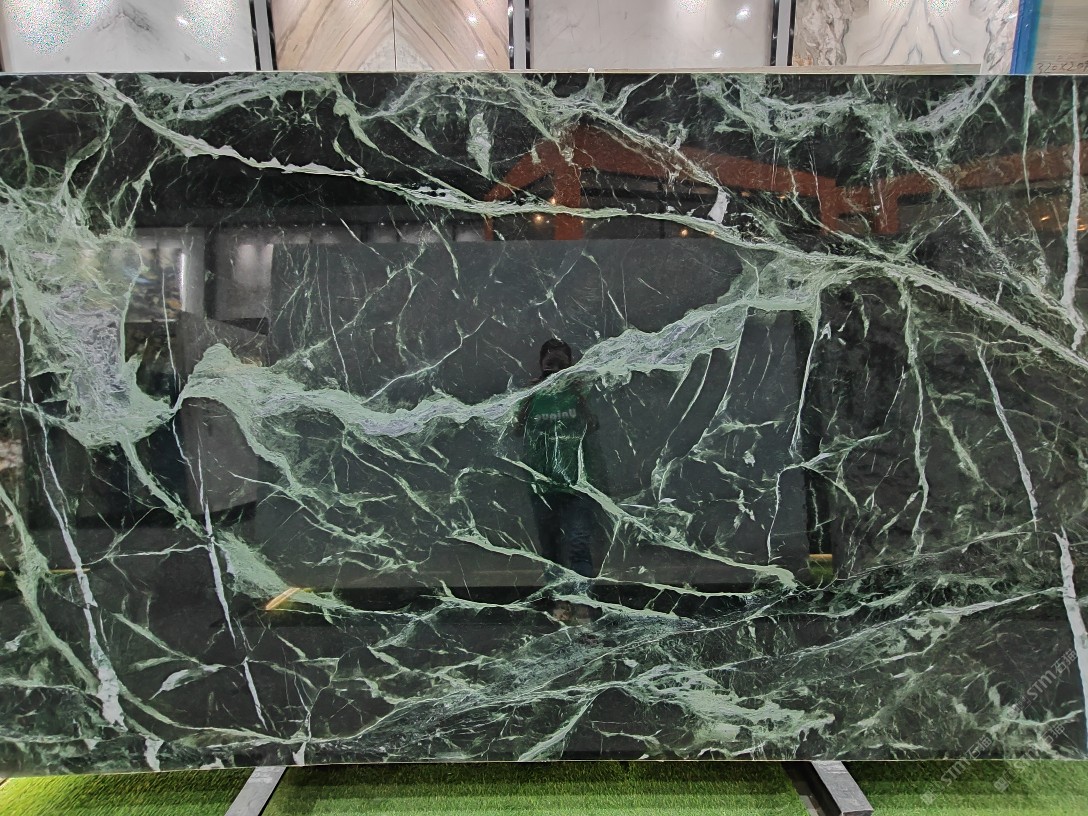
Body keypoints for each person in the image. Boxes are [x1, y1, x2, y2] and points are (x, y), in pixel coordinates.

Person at [513, 339, 600, 585]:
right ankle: (557, 601)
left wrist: (577, 392)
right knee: (550, 549)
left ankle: (582, 601)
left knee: (578, 544)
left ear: (570, 365)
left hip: (576, 484)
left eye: (561, 364)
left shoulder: (577, 392)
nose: (555, 369)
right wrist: (527, 397)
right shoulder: (533, 394)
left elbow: (592, 425)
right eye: (550, 363)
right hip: (542, 485)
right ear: (542, 363)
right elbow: (517, 430)